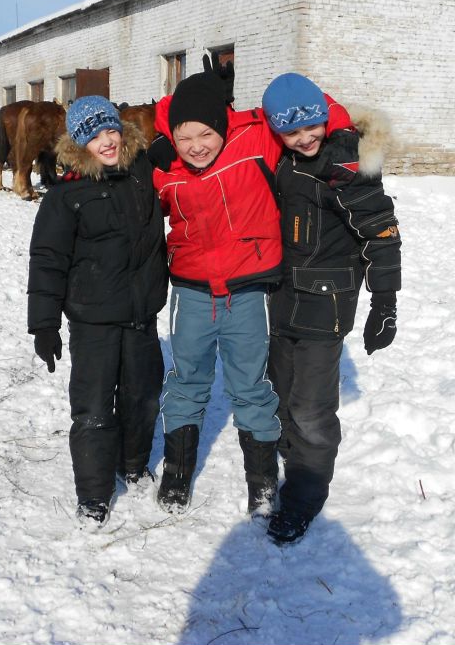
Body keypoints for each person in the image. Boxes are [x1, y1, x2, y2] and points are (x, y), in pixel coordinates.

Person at [149, 67, 353, 516]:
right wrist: (163, 140)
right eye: (186, 137)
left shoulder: (254, 139)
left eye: (206, 133)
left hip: (247, 292)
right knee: (186, 382)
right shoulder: (166, 167)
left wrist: (341, 132)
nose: (197, 145)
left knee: (252, 387)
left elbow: (309, 109)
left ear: (222, 125)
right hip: (191, 291)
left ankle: (261, 486)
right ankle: (177, 477)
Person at [261, 72, 402, 545]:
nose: (304, 138)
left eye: (311, 126)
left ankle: (306, 489)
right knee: (280, 389)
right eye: (290, 131)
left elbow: (381, 234)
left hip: (326, 304)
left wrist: (385, 301)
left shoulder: (346, 162)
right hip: (283, 299)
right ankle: (291, 454)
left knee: (311, 406)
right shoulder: (281, 159)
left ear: (324, 117)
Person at [27, 95, 168, 528]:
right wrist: (45, 324)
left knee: (142, 397)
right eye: (94, 135)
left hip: (142, 315)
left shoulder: (143, 173)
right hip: (93, 322)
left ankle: (132, 463)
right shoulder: (65, 196)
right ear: (79, 143)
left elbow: (188, 139)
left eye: (111, 130)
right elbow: (48, 260)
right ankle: (93, 494)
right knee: (92, 408)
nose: (106, 141)